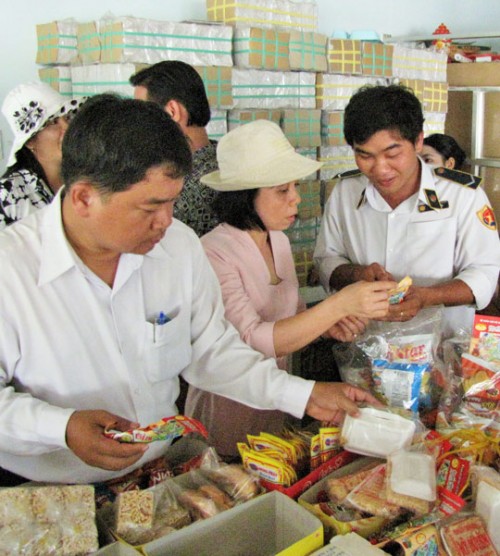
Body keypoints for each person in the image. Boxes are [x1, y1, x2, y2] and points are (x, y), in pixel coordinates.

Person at [0, 94, 380, 485]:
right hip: (45, 489)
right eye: (150, 208)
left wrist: (302, 395)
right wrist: (61, 428)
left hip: (157, 473)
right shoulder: (11, 269)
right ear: (84, 198)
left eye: (172, 203)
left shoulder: (177, 248)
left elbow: (212, 350)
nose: (166, 222)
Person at [184, 120, 395, 458]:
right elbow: (251, 340)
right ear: (245, 197)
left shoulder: (279, 241)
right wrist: (338, 305)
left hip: (278, 406)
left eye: (295, 186)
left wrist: (326, 326)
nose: (296, 198)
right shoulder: (212, 252)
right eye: (282, 191)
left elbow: (293, 317)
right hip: (226, 411)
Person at [314, 84, 500, 336]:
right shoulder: (345, 192)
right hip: (363, 343)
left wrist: (427, 297)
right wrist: (358, 274)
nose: (380, 169)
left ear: (418, 141)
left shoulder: (462, 195)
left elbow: (485, 273)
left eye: (392, 154)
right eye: (365, 156)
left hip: (442, 345)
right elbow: (326, 259)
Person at [130, 61, 219, 237]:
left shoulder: (191, 189)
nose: (138, 125)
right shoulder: (221, 158)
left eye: (144, 114)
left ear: (172, 111)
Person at [0, 81, 84, 230]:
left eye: (67, 118)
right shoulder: (8, 194)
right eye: (53, 122)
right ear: (30, 141)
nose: (67, 128)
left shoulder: (83, 176)